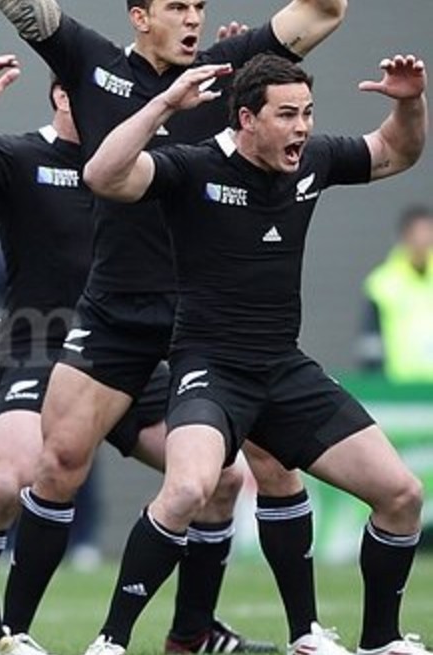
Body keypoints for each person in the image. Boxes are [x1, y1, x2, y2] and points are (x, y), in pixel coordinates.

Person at [0, 1, 349, 651]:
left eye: (199, 6)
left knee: (250, 469)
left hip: (205, 318)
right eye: (177, 6)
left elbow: (324, 12)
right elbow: (24, 9)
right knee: (60, 461)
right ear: (139, 16)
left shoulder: (226, 67)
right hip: (118, 310)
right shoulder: (92, 62)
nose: (193, 19)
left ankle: (198, 632)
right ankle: (13, 635)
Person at [80, 52, 427, 655]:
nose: (303, 128)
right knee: (187, 491)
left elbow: (398, 151)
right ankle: (110, 642)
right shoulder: (193, 167)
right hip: (210, 370)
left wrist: (409, 102)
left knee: (402, 495)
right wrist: (164, 103)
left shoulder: (314, 160)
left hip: (283, 369)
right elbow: (103, 175)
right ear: (247, 119)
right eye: (287, 115)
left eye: (308, 113)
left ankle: (379, 641)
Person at [358, 205, 433, 381]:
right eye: (419, 234)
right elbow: (371, 341)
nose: (424, 241)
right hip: (399, 385)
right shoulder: (382, 283)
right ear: (405, 237)